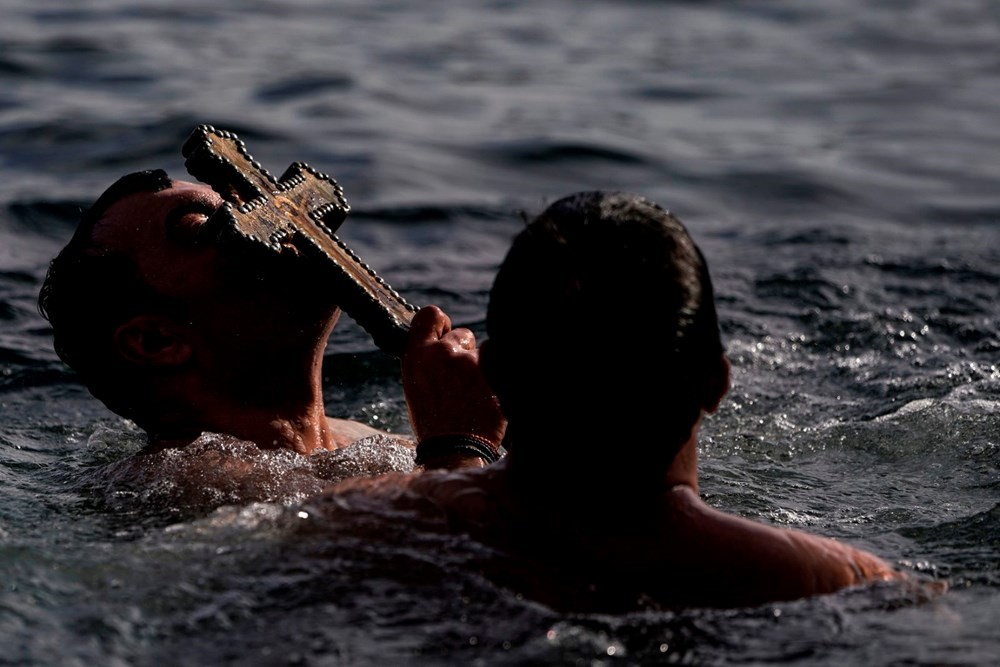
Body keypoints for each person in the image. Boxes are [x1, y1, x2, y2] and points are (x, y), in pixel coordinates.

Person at [308, 190, 936, 612]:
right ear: (717, 381)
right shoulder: (830, 584)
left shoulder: (357, 526)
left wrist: (455, 454)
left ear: (494, 377)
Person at [38, 170, 502, 513]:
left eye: (242, 203)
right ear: (157, 340)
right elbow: (449, 566)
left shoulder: (367, 440)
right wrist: (462, 446)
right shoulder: (183, 487)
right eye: (203, 225)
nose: (274, 222)